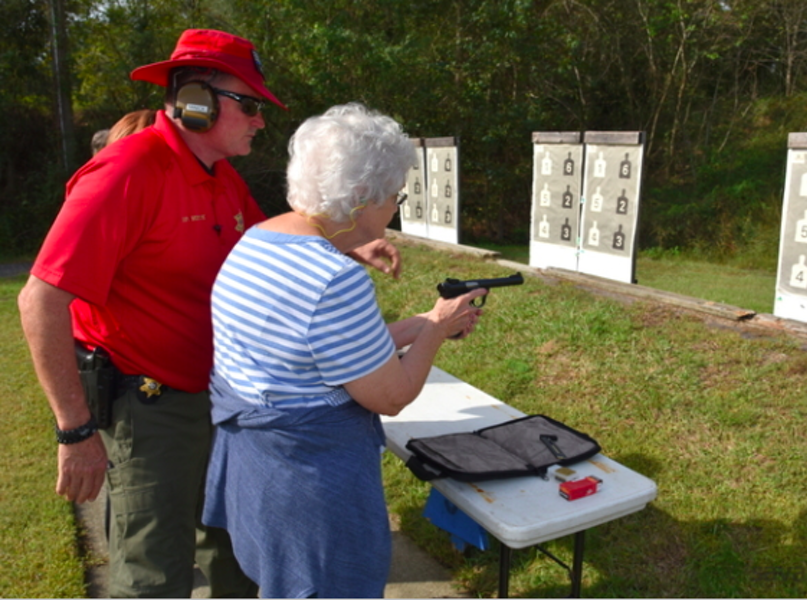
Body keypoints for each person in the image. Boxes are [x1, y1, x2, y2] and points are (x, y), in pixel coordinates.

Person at [18, 30, 401, 598]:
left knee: (234, 554)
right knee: (153, 574)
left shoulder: (221, 177)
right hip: (150, 409)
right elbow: (41, 299)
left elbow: (276, 243)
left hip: (220, 402)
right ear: (195, 101)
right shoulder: (128, 172)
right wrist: (75, 432)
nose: (260, 121)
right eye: (248, 105)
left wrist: (349, 243)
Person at [201, 103, 484, 598]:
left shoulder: (256, 240)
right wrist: (437, 329)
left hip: (260, 477)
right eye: (393, 194)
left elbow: (318, 349)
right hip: (311, 493)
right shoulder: (334, 276)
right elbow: (391, 395)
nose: (395, 205)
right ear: (359, 198)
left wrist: (425, 323)